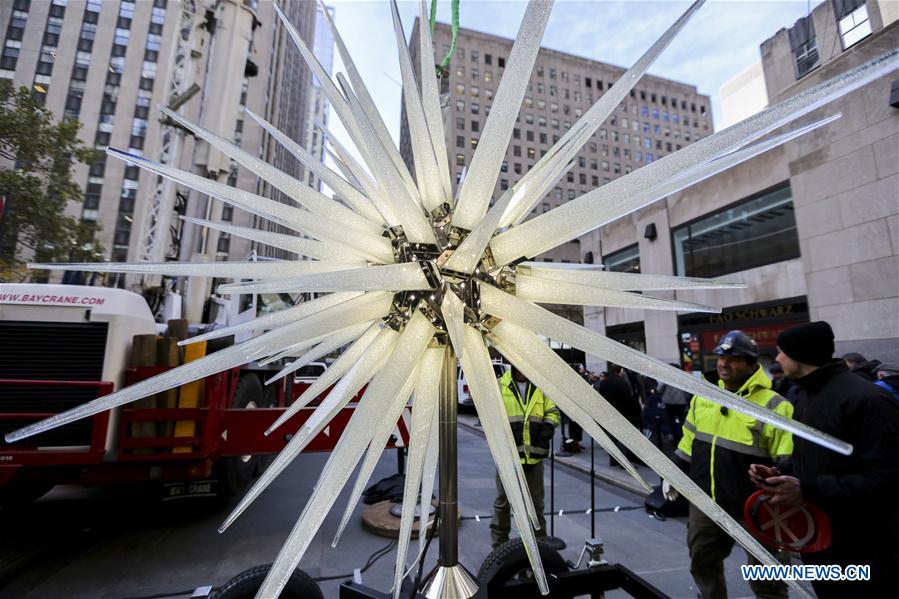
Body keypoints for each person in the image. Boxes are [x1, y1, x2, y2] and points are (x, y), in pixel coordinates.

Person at [751, 322, 899, 598]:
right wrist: (778, 473)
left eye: (781, 351)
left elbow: (887, 478)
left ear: (800, 355)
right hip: (820, 539)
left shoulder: (866, 399)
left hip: (866, 546)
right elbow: (808, 457)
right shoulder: (805, 395)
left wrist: (807, 489)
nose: (777, 358)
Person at [674, 330, 793, 599]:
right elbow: (687, 441)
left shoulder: (776, 405)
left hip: (757, 509)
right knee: (702, 564)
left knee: (768, 579)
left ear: (753, 364)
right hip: (706, 503)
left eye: (734, 359)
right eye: (720, 357)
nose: (724, 364)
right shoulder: (703, 396)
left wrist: (781, 477)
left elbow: (787, 461)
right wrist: (674, 472)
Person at [491, 364, 561, 548]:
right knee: (503, 505)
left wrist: (548, 426)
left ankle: (538, 551)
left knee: (536, 507)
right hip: (508, 458)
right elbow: (489, 416)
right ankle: (499, 551)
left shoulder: (540, 386)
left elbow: (553, 412)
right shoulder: (499, 385)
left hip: (534, 457)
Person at [598, 364, 642, 466]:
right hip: (622, 412)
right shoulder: (622, 382)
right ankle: (623, 460)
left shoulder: (604, 382)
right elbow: (628, 398)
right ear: (620, 370)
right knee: (623, 437)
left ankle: (613, 459)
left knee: (612, 436)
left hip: (609, 412)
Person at [658, 362, 691, 443]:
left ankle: (675, 437)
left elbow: (659, 389)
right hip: (681, 403)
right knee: (682, 419)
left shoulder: (667, 377)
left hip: (669, 402)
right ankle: (684, 436)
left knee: (670, 420)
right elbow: (688, 391)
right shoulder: (684, 377)